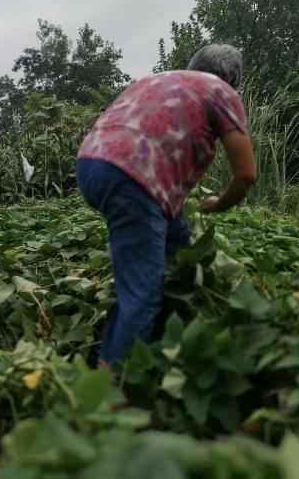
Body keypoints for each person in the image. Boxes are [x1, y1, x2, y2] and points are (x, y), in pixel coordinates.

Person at [76, 44, 256, 367]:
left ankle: (162, 326)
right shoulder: (222, 91)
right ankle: (112, 390)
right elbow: (245, 175)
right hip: (132, 175)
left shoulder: (161, 80)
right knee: (143, 293)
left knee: (176, 252)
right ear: (231, 78)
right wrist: (219, 204)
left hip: (91, 164)